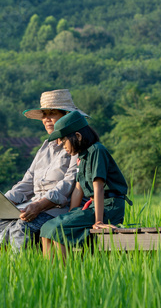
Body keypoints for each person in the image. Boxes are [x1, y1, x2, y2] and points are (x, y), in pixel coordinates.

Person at [0, 89, 85, 252]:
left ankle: (21, 273)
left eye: (52, 114)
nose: (47, 119)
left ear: (66, 115)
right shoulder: (45, 147)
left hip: (59, 208)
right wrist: (1, 203)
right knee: (0, 223)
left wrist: (39, 205)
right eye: (44, 115)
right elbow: (27, 182)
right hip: (34, 206)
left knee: (22, 226)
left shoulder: (78, 146)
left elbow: (68, 184)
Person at [39, 110, 129, 261]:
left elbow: (98, 187)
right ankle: (51, 274)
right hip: (96, 208)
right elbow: (78, 189)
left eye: (64, 140)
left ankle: (64, 273)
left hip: (109, 207)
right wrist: (72, 213)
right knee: (46, 228)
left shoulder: (97, 151)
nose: (62, 146)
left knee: (58, 229)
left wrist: (98, 221)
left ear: (78, 137)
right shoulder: (82, 156)